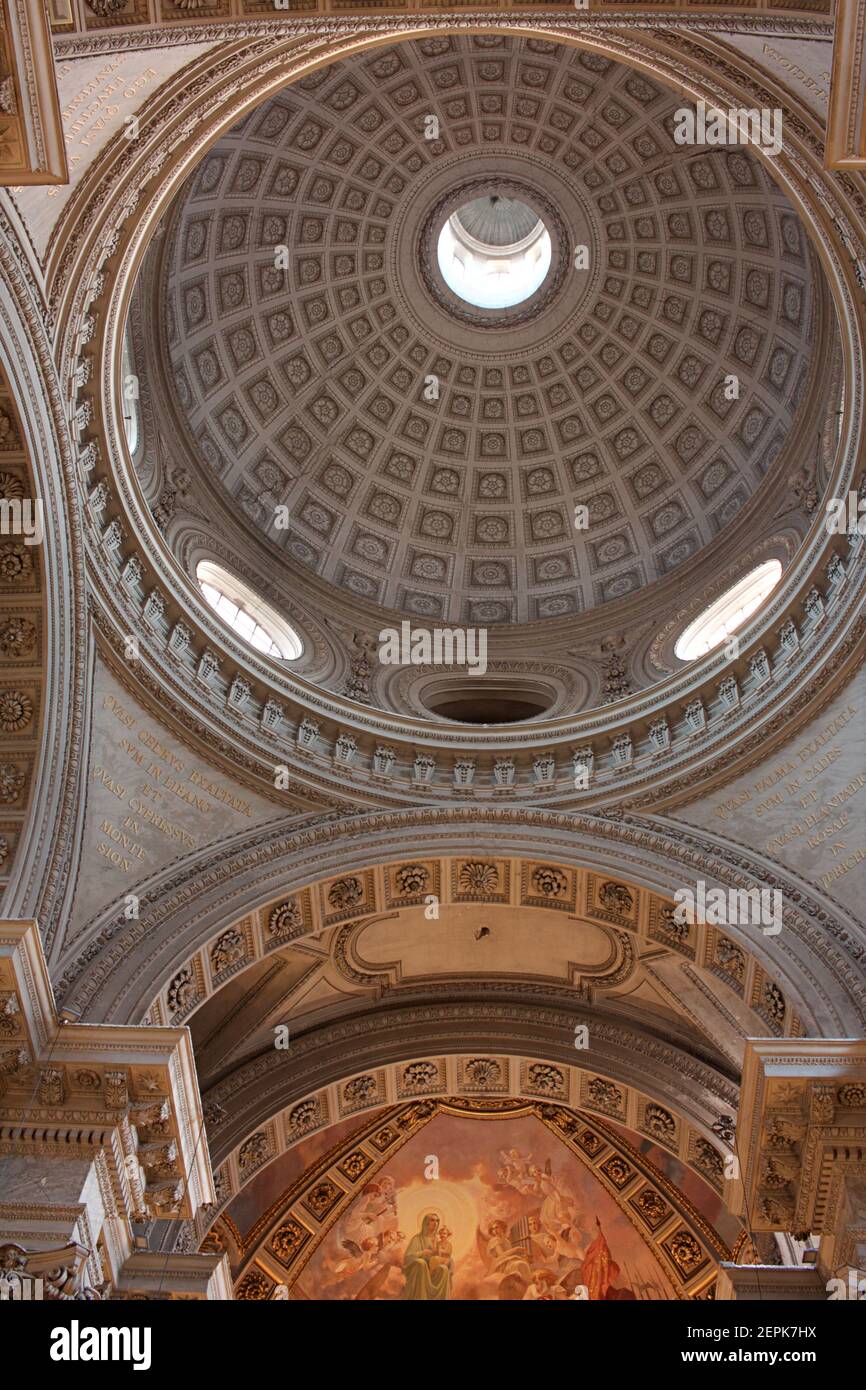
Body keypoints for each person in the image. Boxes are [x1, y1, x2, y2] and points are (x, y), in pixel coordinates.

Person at [400, 1212, 452, 1300]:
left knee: (444, 1269)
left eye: (437, 1221)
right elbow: (407, 1258)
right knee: (421, 1263)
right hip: (418, 1269)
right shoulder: (417, 1238)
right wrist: (422, 1253)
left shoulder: (436, 1240)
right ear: (426, 1222)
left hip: (431, 1268)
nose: (435, 1223)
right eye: (432, 1220)